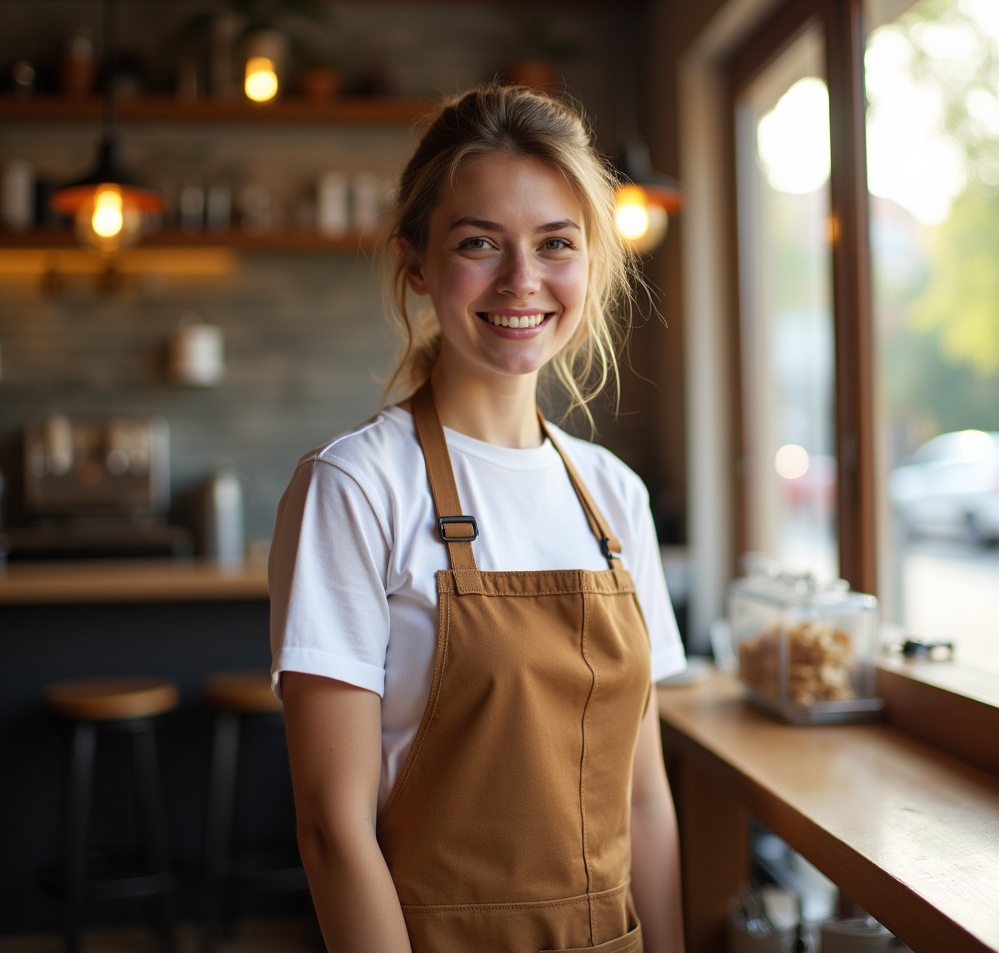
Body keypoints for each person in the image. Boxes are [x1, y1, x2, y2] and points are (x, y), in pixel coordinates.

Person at [269, 83, 687, 953]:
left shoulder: (615, 497)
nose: (522, 281)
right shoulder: (355, 487)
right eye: (479, 244)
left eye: (556, 244)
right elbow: (331, 832)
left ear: (592, 262)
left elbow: (643, 795)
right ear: (417, 264)